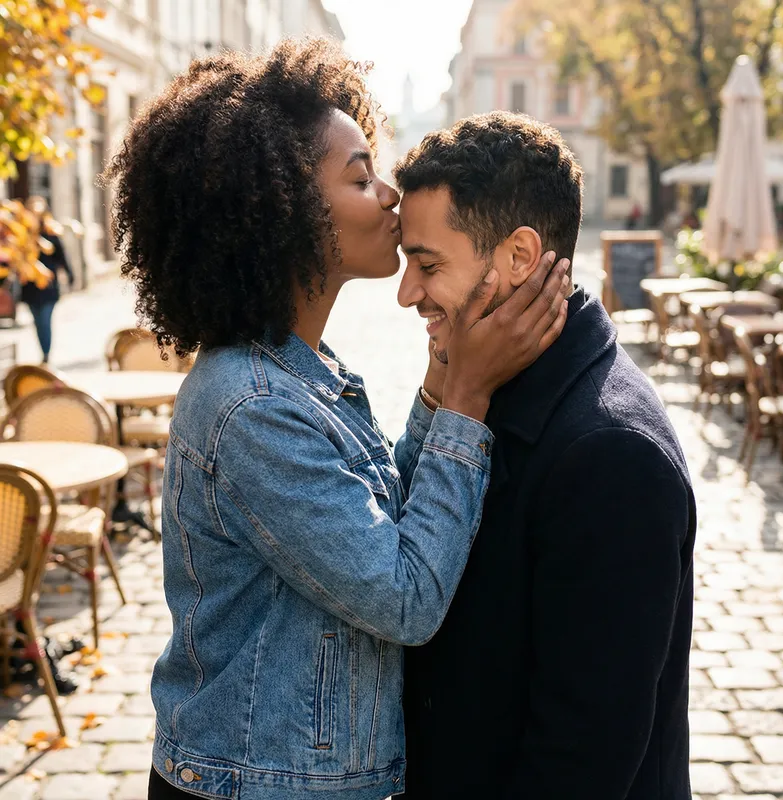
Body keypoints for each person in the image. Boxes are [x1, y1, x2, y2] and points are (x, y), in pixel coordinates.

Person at [102, 42, 571, 800]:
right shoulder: (250, 406)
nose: (389, 195)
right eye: (359, 177)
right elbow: (405, 598)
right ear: (278, 208)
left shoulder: (305, 372)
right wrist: (470, 397)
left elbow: (384, 524)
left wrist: (447, 369)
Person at [395, 112, 696, 800]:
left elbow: (579, 765)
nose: (407, 293)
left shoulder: (610, 455)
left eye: (428, 264)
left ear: (519, 258)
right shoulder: (489, 382)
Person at [21, 197, 74, 363]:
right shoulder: (23, 234)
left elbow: (61, 256)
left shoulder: (51, 232)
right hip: (30, 284)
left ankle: (45, 355)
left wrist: (69, 274)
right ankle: (43, 351)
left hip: (49, 284)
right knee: (37, 322)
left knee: (44, 320)